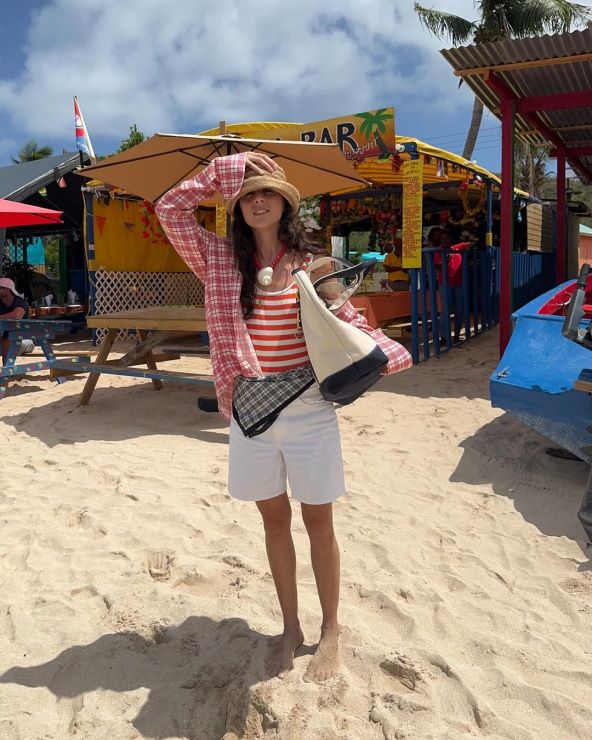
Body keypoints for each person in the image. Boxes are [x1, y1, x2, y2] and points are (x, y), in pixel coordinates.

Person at [155, 152, 412, 683]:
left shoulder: (312, 266)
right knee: (274, 523)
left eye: (266, 191)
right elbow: (169, 210)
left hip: (308, 409)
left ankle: (331, 629)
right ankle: (291, 627)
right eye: (247, 194)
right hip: (250, 411)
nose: (257, 200)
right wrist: (222, 171)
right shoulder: (219, 259)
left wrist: (384, 351)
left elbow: (347, 322)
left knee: (319, 524)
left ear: (285, 203)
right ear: (236, 205)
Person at [0, 277, 34, 363]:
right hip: (6, 335)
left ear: (7, 290)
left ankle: (7, 369)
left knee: (7, 338)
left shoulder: (19, 302)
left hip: (22, 337)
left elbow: (16, 315)